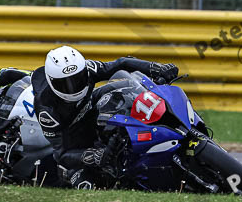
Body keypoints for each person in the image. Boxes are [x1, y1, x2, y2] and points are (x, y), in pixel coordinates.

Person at [32, 45, 178, 189]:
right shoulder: (46, 109)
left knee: (125, 87)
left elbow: (122, 64)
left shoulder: (88, 69)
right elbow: (61, 154)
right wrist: (91, 155)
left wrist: (155, 68)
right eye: (65, 84)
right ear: (52, 82)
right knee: (91, 187)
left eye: (78, 79)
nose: (74, 87)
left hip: (89, 108)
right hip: (74, 142)